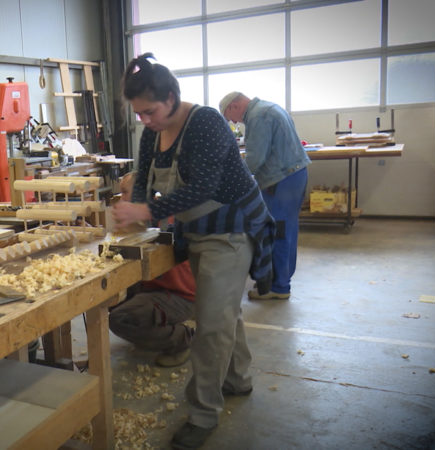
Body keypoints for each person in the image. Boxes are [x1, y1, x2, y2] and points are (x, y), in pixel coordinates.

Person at [112, 53, 276, 450]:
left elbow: (203, 187)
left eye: (150, 111)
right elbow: (143, 174)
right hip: (196, 230)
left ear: (172, 97)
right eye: (139, 115)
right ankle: (238, 379)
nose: (145, 120)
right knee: (221, 311)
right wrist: (133, 211)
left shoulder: (206, 122)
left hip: (230, 229)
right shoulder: (152, 130)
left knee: (211, 325)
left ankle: (203, 414)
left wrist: (148, 210)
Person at [219, 92, 311, 300]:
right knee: (287, 229)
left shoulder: (258, 117)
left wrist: (230, 178)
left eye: (229, 116)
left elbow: (255, 159)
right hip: (294, 176)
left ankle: (279, 287)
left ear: (235, 105)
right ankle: (283, 278)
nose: (234, 122)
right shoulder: (270, 108)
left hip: (280, 181)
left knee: (277, 231)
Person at [109, 172, 197, 368]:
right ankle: (151, 330)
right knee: (107, 298)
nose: (120, 199)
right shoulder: (142, 219)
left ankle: (181, 340)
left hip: (179, 293)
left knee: (120, 318)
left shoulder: (166, 218)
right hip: (155, 287)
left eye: (125, 193)